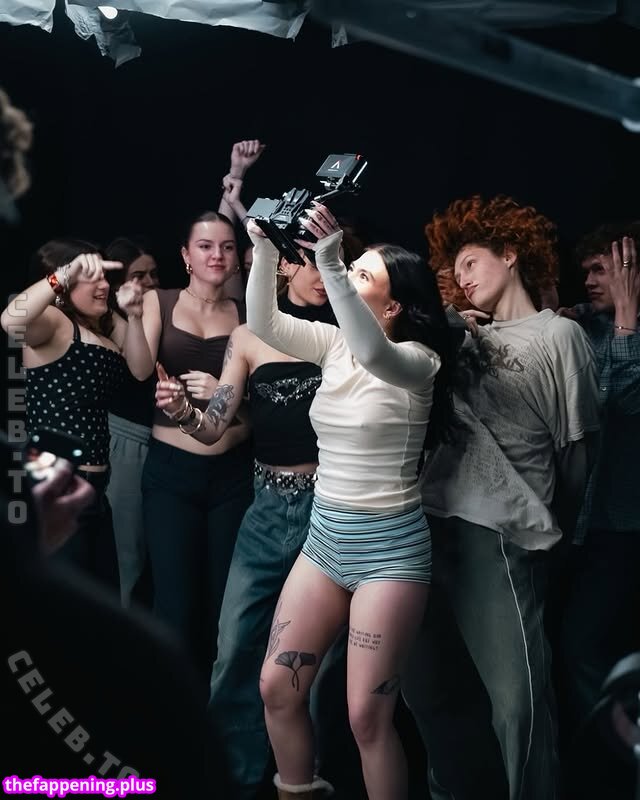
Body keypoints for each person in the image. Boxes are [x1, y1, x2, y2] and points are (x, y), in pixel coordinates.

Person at [244, 201, 457, 799]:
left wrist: (332, 262)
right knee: (276, 688)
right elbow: (262, 321)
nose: (342, 274)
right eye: (350, 269)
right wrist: (263, 249)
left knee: (366, 716)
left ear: (392, 307)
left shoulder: (419, 362)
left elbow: (374, 354)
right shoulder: (335, 343)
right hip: (326, 540)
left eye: (363, 274)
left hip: (389, 552)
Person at [402, 194, 601, 800]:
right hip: (427, 525)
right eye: (455, 269)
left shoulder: (559, 333)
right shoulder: (460, 334)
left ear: (510, 254)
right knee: (431, 691)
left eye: (471, 262)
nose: (462, 278)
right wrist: (452, 328)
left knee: (517, 702)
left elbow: (578, 452)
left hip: (503, 535)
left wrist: (552, 527)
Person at [155, 238, 337, 798]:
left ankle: (309, 779)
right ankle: (232, 778)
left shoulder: (346, 332)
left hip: (331, 510)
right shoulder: (250, 336)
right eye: (307, 260)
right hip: (266, 508)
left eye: (330, 261)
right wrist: (183, 412)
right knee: (235, 643)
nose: (320, 273)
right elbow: (213, 426)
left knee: (318, 665)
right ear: (282, 266)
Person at [116, 210, 253, 688]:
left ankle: (218, 714)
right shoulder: (161, 300)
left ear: (236, 257)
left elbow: (264, 399)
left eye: (227, 247)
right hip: (171, 474)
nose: (217, 255)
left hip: (233, 474)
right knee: (174, 601)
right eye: (205, 246)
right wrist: (134, 317)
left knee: (225, 601)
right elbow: (139, 370)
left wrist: (222, 391)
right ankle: (168, 707)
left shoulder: (248, 312)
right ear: (186, 256)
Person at [556, 223, 640, 799]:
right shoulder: (583, 328)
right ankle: (603, 763)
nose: (587, 280)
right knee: (578, 646)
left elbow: (621, 397)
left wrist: (628, 316)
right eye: (584, 269)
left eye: (601, 270)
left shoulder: (623, 328)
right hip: (584, 524)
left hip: (626, 523)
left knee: (590, 645)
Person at [1, 241, 126, 594]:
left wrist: (131, 308)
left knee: (102, 601)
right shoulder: (53, 323)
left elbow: (141, 367)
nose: (104, 285)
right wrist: (65, 274)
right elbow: (10, 319)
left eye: (104, 276)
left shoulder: (100, 328)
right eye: (92, 276)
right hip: (56, 483)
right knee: (64, 604)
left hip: (95, 490)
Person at [104, 235, 159, 606]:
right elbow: (141, 369)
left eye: (154, 274)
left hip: (161, 443)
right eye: (140, 276)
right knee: (129, 554)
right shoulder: (112, 321)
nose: (150, 283)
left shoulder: (159, 311)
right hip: (127, 440)